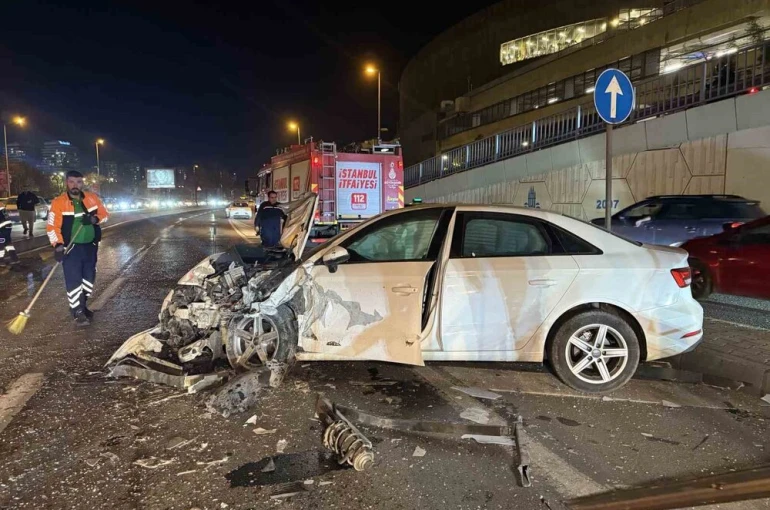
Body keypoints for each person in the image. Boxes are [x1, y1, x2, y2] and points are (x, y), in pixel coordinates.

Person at [46, 170, 109, 326]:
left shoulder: (92, 198)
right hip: (71, 248)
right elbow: (52, 226)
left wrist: (94, 219)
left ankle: (82, 304)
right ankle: (77, 311)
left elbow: (105, 215)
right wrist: (58, 245)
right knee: (74, 279)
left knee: (89, 278)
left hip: (90, 246)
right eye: (72, 182)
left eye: (78, 182)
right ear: (67, 183)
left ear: (82, 183)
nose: (75, 185)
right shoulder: (58, 202)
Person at [0, 201, 19, 266]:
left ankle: (1, 261)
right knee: (8, 244)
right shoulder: (3, 208)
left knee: (0, 245)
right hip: (7, 228)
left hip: (2, 229)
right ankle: (15, 259)